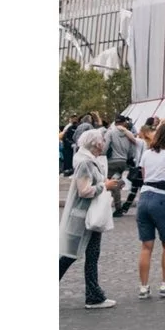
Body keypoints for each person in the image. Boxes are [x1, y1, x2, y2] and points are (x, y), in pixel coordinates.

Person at [60, 127, 115, 307]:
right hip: (85, 216)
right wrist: (104, 185)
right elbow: (84, 191)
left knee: (88, 255)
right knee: (72, 255)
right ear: (96, 144)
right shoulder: (86, 164)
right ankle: (93, 295)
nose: (104, 144)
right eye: (102, 141)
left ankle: (94, 294)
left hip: (88, 216)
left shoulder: (88, 161)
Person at [133, 119, 165, 295]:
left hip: (145, 196)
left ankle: (144, 287)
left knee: (146, 246)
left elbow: (145, 175)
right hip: (163, 197)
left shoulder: (146, 154)